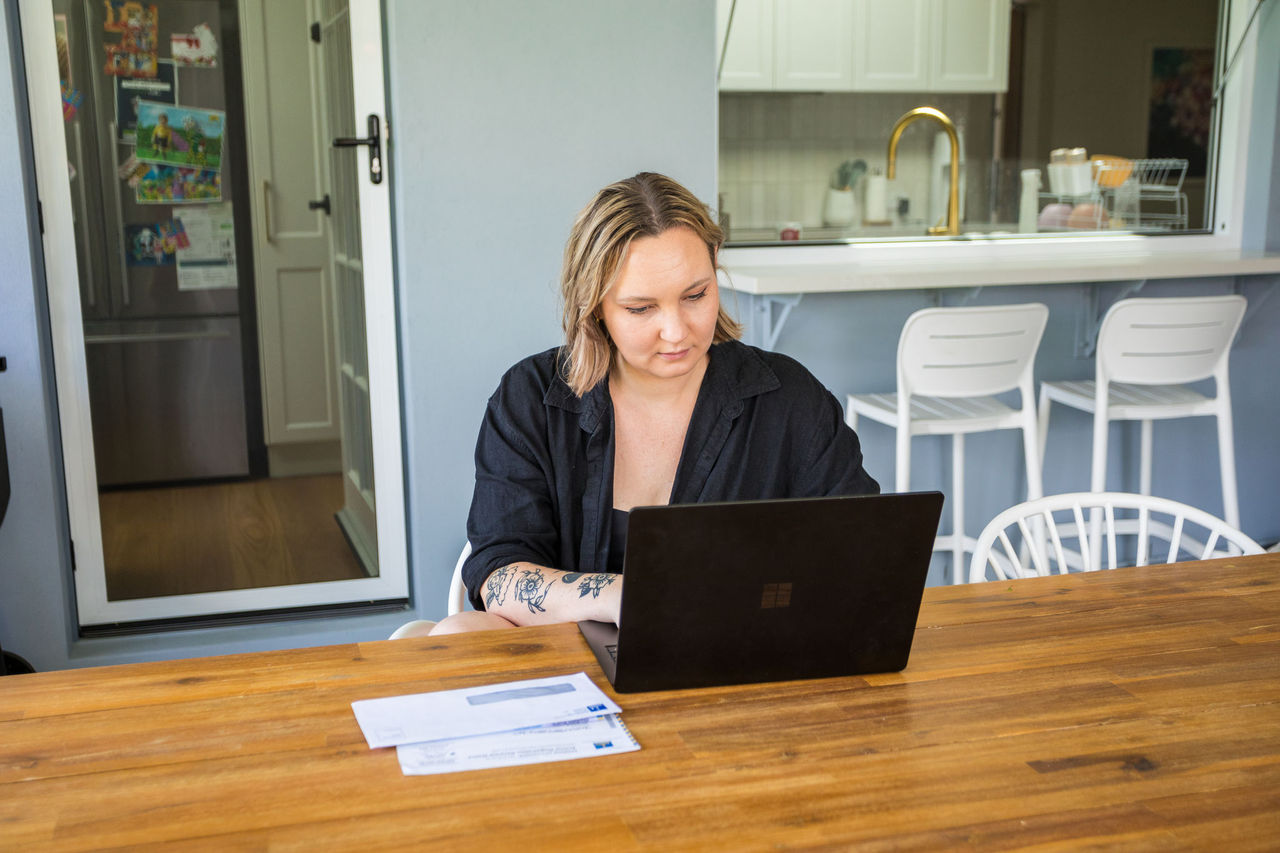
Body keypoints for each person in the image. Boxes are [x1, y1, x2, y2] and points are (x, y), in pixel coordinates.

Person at [419, 172, 878, 636]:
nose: (677, 331)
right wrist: (629, 597)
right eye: (641, 309)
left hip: (738, 650)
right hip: (563, 657)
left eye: (695, 295)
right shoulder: (531, 399)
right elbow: (499, 575)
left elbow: (859, 548)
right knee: (457, 632)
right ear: (594, 304)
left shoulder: (790, 399)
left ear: (715, 264)